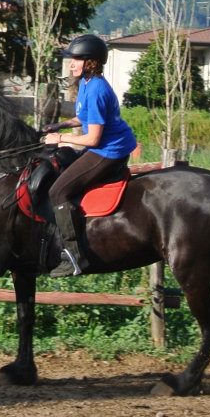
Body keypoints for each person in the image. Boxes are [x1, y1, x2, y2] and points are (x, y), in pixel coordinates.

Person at [42, 34, 137, 277]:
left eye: (76, 59)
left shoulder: (95, 89)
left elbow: (92, 138)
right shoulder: (85, 83)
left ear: (90, 62)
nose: (71, 64)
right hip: (102, 146)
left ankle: (74, 256)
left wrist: (60, 139)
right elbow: (84, 119)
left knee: (58, 191)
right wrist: (59, 126)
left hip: (108, 151)